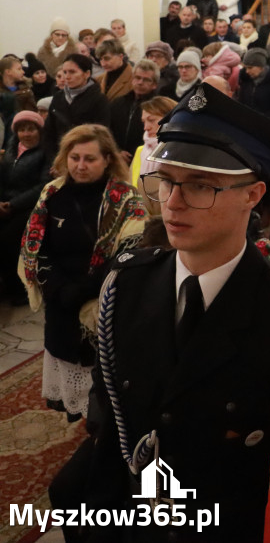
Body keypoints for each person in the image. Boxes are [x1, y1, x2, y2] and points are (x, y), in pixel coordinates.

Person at [57, 83, 270, 542]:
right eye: (165, 181)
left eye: (201, 185)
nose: (173, 202)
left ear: (253, 194)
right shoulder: (128, 284)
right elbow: (111, 410)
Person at [19, 125, 147, 420]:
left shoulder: (126, 199)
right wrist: (58, 288)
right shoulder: (52, 192)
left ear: (107, 160)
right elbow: (36, 245)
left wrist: (86, 289)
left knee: (106, 393)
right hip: (61, 299)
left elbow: (129, 252)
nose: (80, 165)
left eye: (89, 159)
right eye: (74, 157)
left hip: (102, 302)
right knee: (70, 378)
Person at [0, 111, 50, 304]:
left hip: (30, 207)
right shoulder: (11, 150)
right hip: (6, 204)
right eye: (22, 129)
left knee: (7, 240)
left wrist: (12, 205)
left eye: (31, 129)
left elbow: (42, 186)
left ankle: (17, 289)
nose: (26, 134)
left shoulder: (45, 152)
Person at [41, 54, 111, 159]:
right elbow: (49, 133)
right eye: (65, 72)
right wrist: (54, 159)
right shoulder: (58, 97)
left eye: (72, 72)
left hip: (85, 157)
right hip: (59, 157)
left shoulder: (98, 99)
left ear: (87, 74)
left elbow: (101, 135)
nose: (67, 76)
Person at [129, 95, 176, 215]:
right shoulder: (140, 151)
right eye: (144, 122)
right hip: (140, 217)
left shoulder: (179, 151)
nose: (146, 127)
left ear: (169, 118)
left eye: (151, 120)